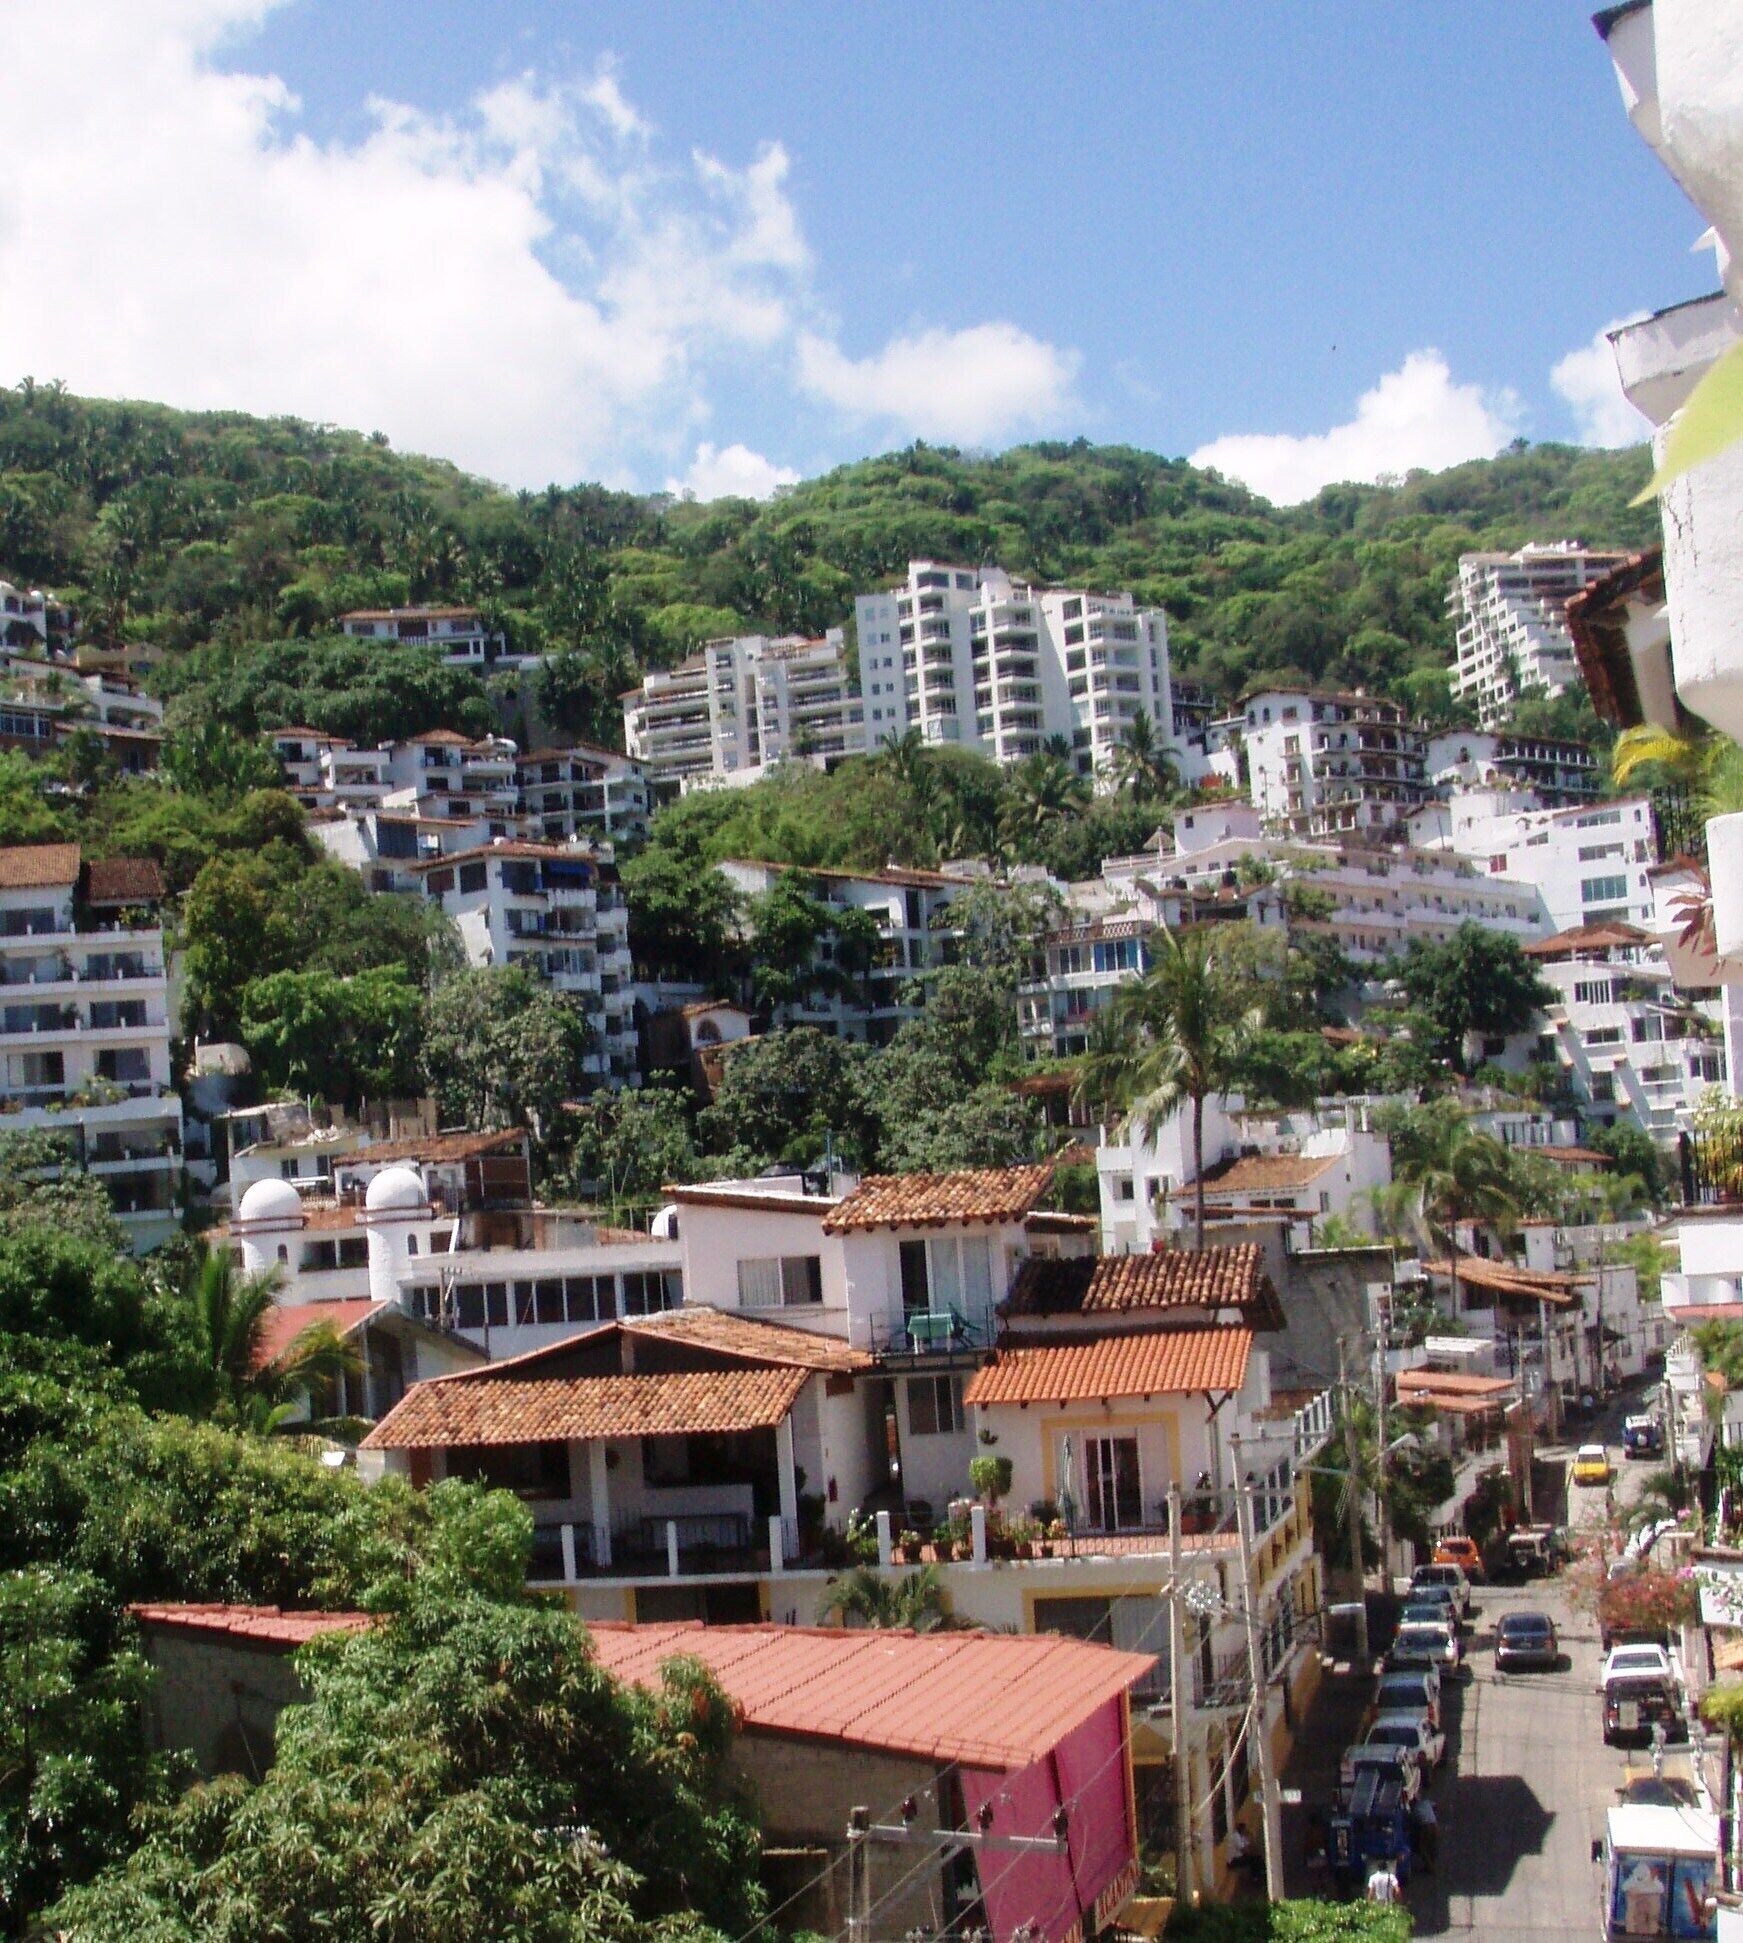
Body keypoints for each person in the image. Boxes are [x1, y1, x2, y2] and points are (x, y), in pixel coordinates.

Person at [1411, 1794, 1438, 1873]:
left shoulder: (1415, 1809)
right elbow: (1435, 1805)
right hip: (1434, 1824)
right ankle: (1432, 1862)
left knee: (1422, 1847)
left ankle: (1430, 1867)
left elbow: (1413, 1823)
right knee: (1432, 1844)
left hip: (1425, 1827)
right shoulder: (1426, 1802)